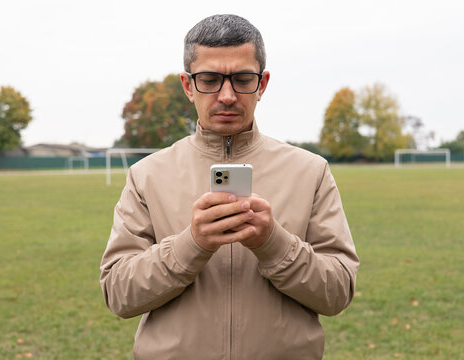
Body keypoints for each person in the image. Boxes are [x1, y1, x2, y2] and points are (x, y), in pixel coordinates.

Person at [100, 14, 359, 360]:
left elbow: (338, 293)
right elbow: (119, 295)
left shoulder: (310, 171)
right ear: (188, 85)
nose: (226, 95)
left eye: (242, 79)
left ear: (262, 84)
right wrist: (191, 245)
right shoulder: (147, 175)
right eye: (209, 79)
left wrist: (273, 243)